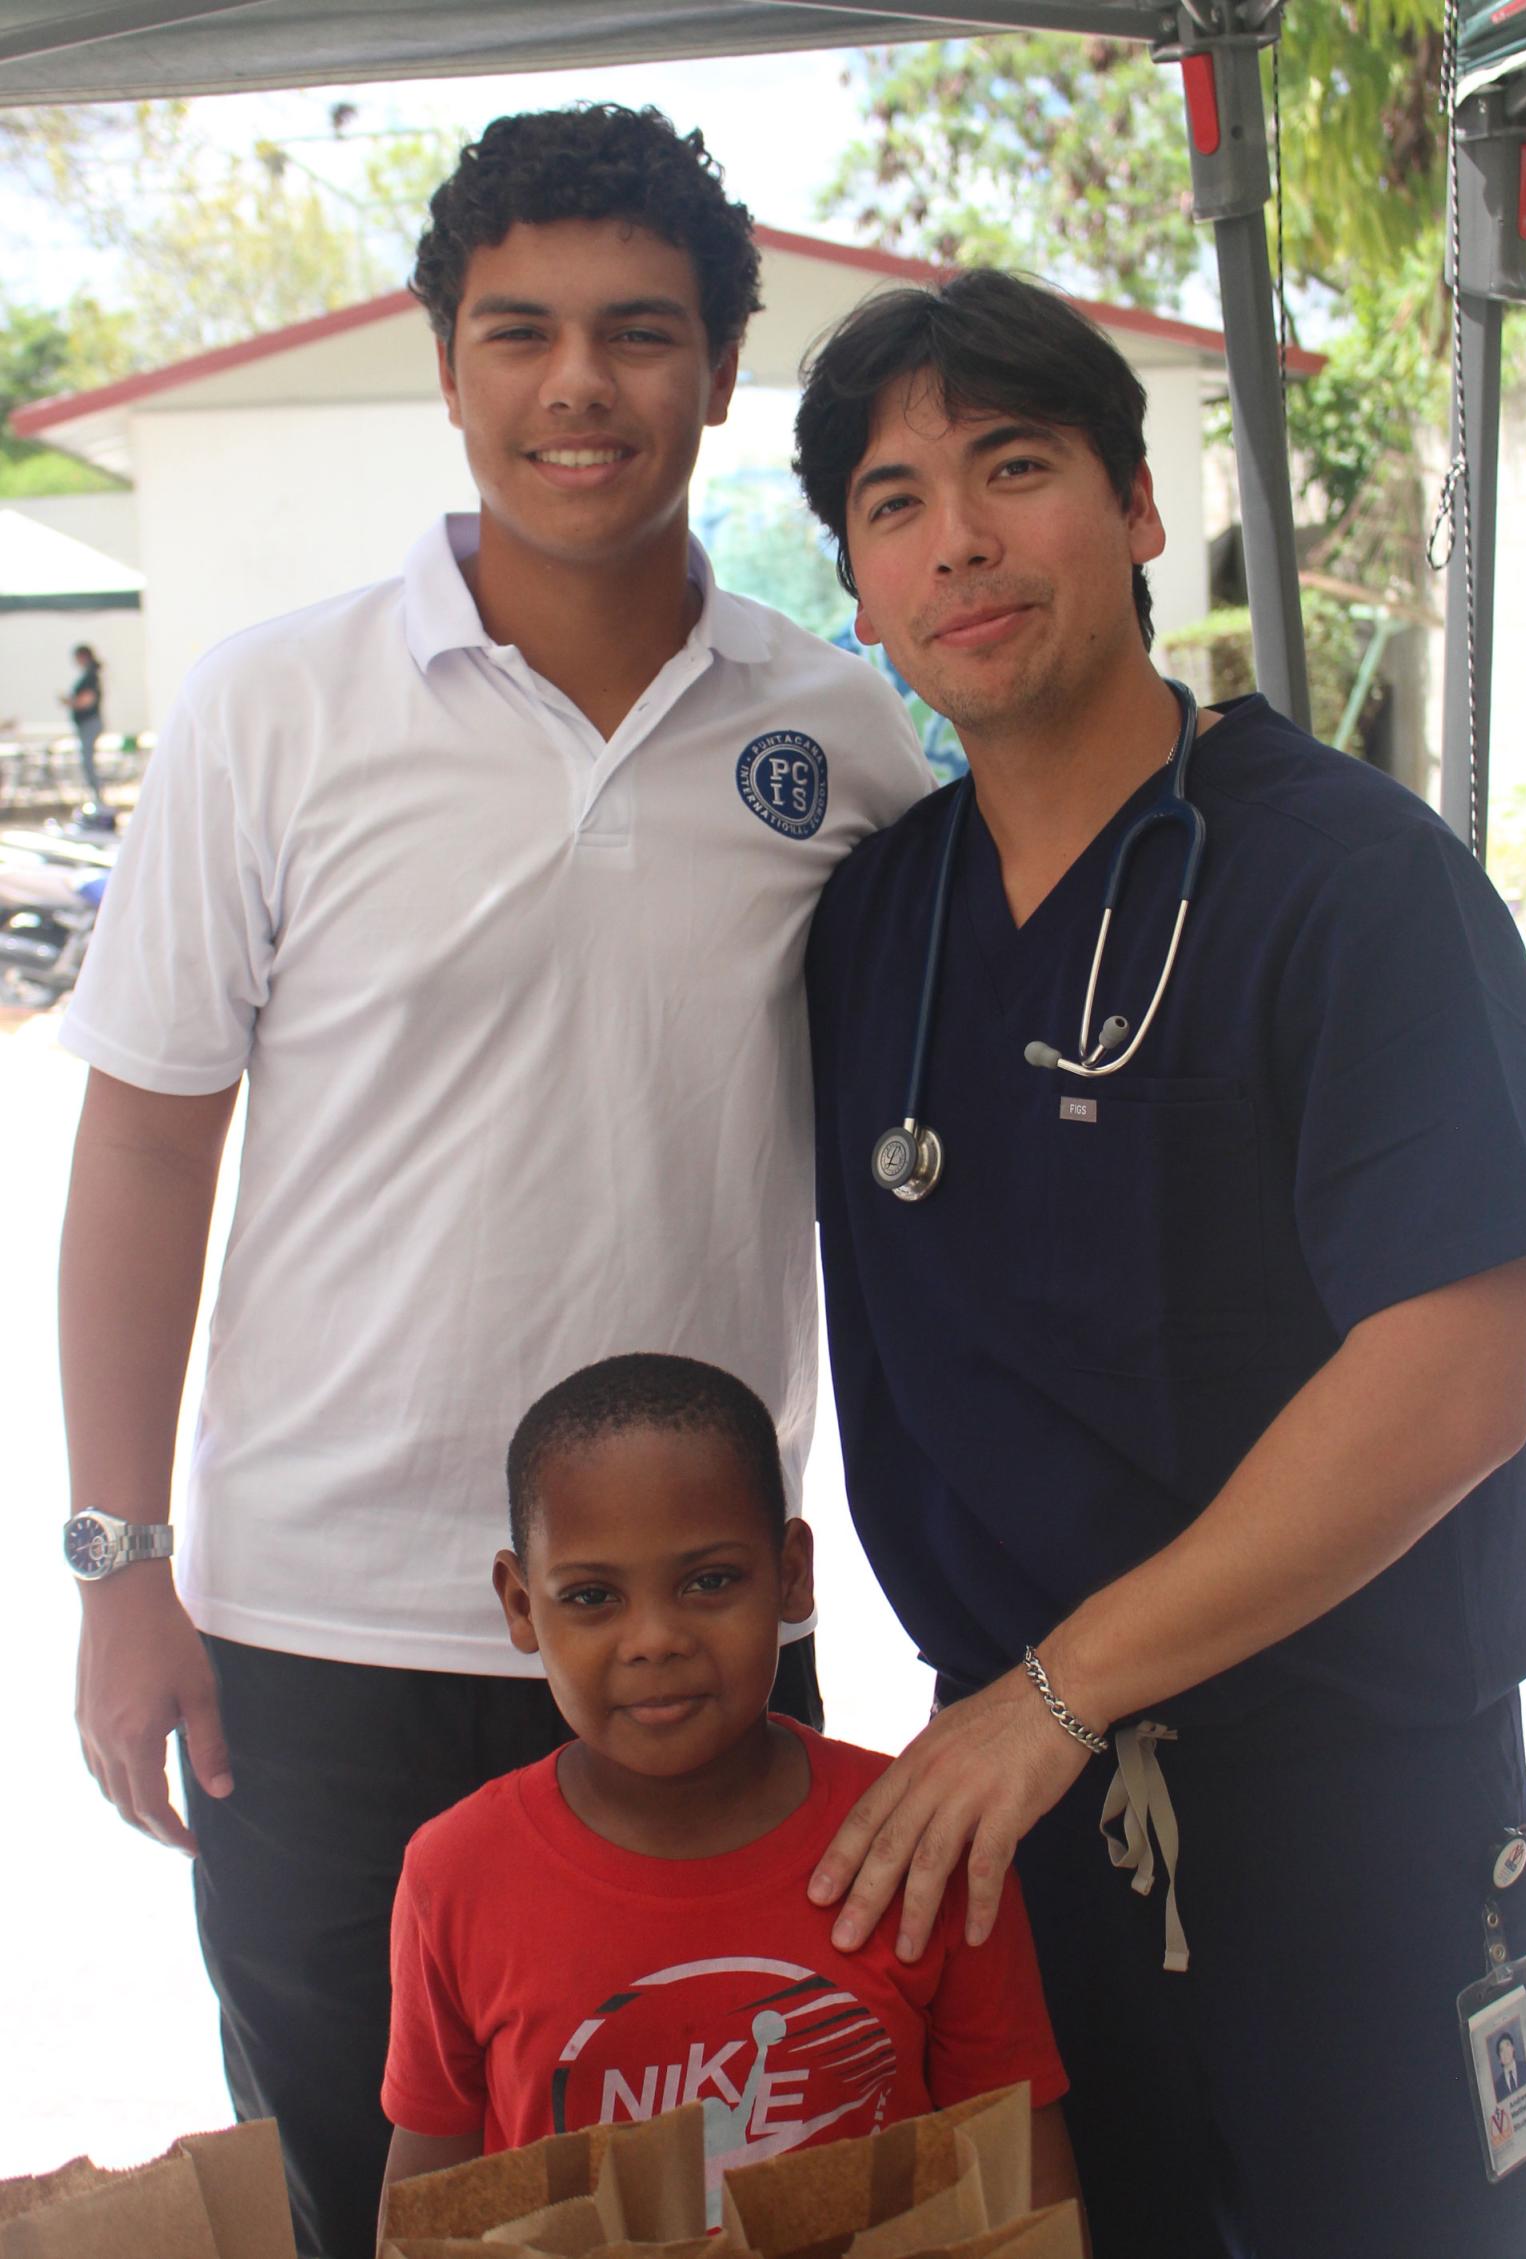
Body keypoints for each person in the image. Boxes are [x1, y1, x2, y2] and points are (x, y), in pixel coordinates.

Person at [55, 105, 929, 2259]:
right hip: (319, 1632)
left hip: (695, 1616)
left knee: (727, 2201)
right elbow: (149, 1140)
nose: (579, 387)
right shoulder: (271, 712)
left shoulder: (841, 741)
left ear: (720, 370)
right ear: (444, 363)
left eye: (640, 334)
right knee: (379, 2201)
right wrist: (116, 1563)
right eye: (519, 331)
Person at [792, 269, 1526, 2259]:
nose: (958, 539)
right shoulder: (868, 927)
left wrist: (1053, 1694)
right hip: (1012, 1831)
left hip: (1341, 1804)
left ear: (1138, 510)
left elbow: (1439, 1377)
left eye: (1012, 467)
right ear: (855, 580)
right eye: (894, 502)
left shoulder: (1340, 879)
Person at [381, 1352, 1076, 2226]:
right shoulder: (457, 1872)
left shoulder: (921, 1837)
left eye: (709, 1581)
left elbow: (1021, 2169)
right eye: (592, 1595)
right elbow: (428, 2194)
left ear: (790, 1573)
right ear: (521, 1604)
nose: (654, 1639)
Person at [61, 641, 104, 803]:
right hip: (86, 723)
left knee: (88, 762)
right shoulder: (89, 675)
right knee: (87, 761)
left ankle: (98, 798)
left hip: (89, 723)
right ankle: (95, 797)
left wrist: (70, 702)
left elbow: (87, 700)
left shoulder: (90, 676)